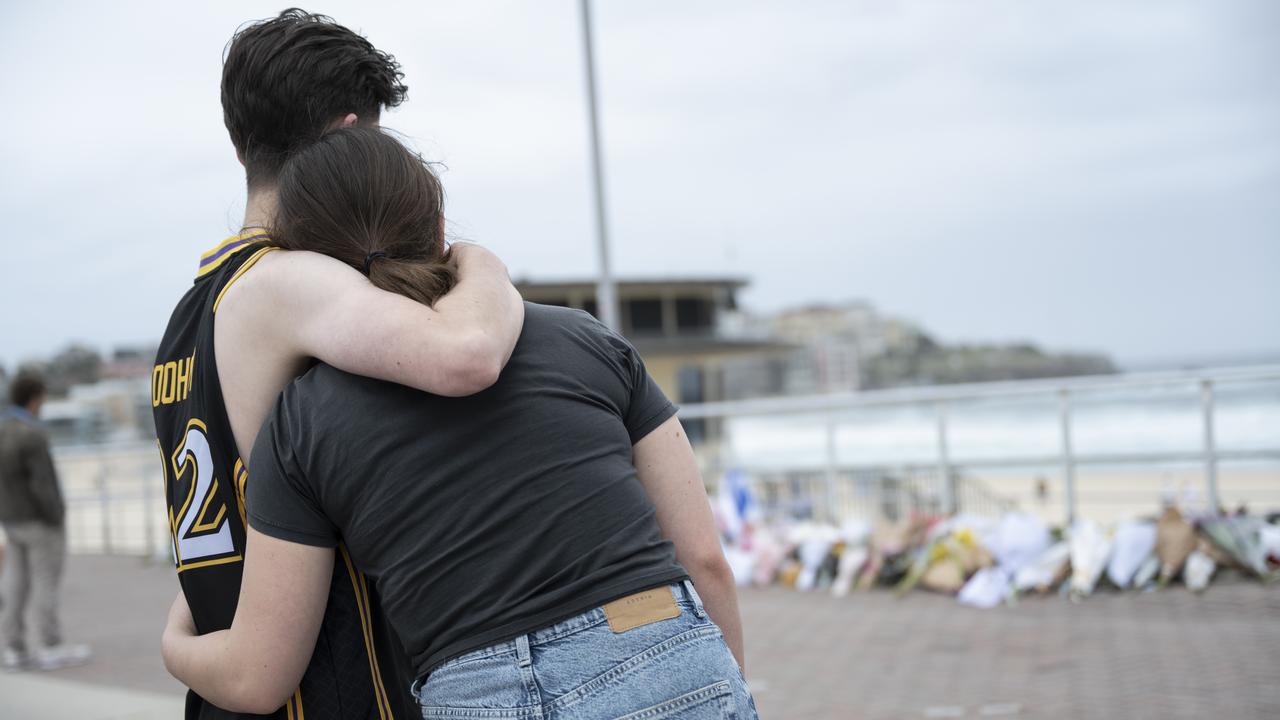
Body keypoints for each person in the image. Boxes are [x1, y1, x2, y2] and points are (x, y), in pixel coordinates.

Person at [162, 127, 758, 719]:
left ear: (311, 264)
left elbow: (259, 678)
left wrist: (177, 644)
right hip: (662, 645)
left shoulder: (299, 423)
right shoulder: (583, 339)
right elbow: (704, 559)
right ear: (440, 230)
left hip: (481, 694)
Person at [152, 9, 524, 720]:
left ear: (241, 147)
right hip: (328, 691)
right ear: (350, 138)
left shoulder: (191, 312)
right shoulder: (286, 281)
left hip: (232, 678)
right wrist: (478, 260)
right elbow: (465, 352)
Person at [0, 370, 91, 671]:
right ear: (35, 398)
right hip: (40, 522)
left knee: (15, 583)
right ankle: (51, 644)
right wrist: (57, 515)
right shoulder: (33, 435)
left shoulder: (3, 430)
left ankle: (14, 647)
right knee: (45, 582)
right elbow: (43, 484)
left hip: (12, 521)